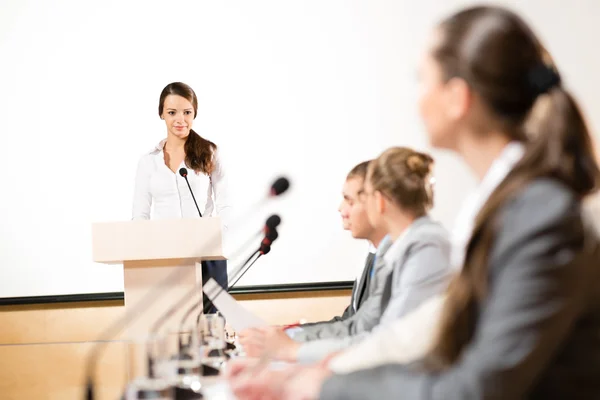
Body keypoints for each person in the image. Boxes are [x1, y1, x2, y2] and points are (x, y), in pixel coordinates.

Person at [229, 5, 600, 399]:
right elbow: (421, 338)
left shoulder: (539, 214)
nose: (417, 98)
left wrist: (321, 384)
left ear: (458, 98)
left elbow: (473, 389)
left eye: (422, 79)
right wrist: (307, 376)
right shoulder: (502, 204)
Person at [238, 147, 452, 363]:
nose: (345, 208)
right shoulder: (400, 248)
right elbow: (366, 327)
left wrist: (293, 350)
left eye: (359, 198)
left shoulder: (425, 246)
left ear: (377, 201)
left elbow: (387, 343)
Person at [132, 82, 231, 313]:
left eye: (187, 112)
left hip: (207, 255)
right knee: (171, 330)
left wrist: (218, 241)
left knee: (210, 331)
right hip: (165, 257)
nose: (180, 119)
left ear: (194, 113)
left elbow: (225, 203)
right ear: (161, 114)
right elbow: (140, 214)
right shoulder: (148, 162)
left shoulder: (209, 152)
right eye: (172, 112)